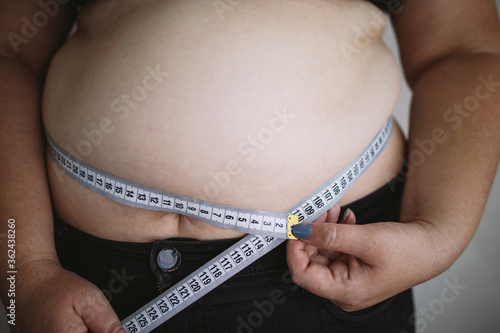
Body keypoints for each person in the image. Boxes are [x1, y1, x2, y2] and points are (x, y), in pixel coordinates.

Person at [1, 0, 499, 332]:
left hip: (327, 267)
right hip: (81, 279)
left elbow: (466, 49)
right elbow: (10, 52)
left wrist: (441, 236)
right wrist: (20, 270)